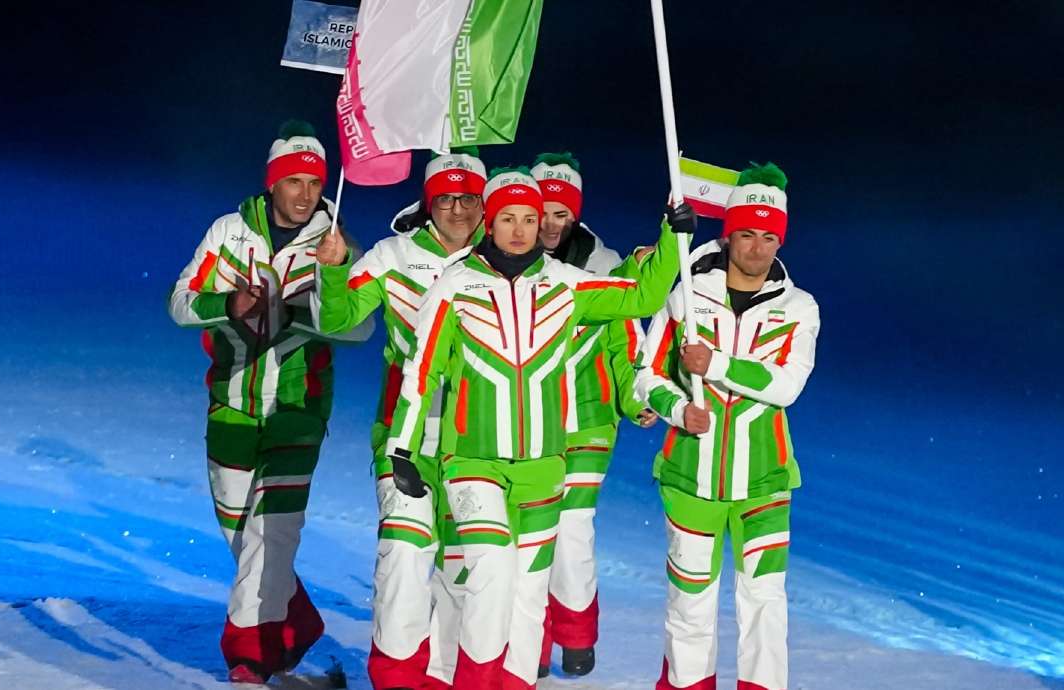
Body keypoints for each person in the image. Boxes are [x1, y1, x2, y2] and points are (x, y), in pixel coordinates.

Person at [385, 166, 693, 689]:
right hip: (473, 463)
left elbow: (638, 298)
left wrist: (674, 234)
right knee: (490, 576)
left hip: (545, 467)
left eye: (529, 218)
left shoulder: (568, 285)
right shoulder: (454, 287)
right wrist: (403, 449)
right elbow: (423, 372)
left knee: (528, 594)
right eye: (509, 217)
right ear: (490, 221)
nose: (522, 229)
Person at [167, 120, 371, 684]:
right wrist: (228, 303)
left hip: (298, 407)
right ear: (273, 182)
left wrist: (334, 276)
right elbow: (179, 303)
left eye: (315, 181)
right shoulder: (229, 232)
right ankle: (296, 622)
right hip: (230, 403)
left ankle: (248, 658)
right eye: (295, 180)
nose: (307, 193)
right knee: (240, 532)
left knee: (271, 533)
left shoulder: (335, 242)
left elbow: (360, 329)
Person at [634, 163, 820, 690]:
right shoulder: (686, 295)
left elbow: (787, 386)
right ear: (728, 233)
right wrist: (676, 409)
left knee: (765, 603)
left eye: (768, 237)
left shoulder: (799, 308)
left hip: (765, 479)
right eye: (747, 234)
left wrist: (713, 363)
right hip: (689, 478)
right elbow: (646, 376)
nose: (758, 249)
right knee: (690, 605)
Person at [311, 149, 488, 690]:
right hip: (404, 433)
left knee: (464, 570)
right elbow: (335, 319)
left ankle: (443, 679)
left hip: (479, 443)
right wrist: (335, 269)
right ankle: (396, 680)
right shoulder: (393, 255)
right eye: (445, 199)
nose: (457, 210)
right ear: (428, 203)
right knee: (404, 560)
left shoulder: (504, 259)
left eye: (468, 199)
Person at [528, 152, 659, 678]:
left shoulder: (605, 268)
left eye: (563, 214)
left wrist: (635, 399)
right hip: (525, 419)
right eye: (545, 212)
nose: (553, 225)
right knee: (530, 533)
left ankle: (577, 635)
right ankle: (530, 640)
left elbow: (625, 343)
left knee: (572, 527)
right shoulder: (508, 262)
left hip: (587, 417)